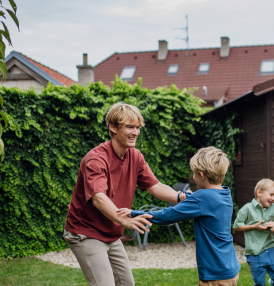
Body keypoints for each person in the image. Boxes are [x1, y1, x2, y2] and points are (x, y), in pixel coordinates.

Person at [63, 103, 189, 286]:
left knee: (127, 283)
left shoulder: (135, 156)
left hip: (110, 232)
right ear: (113, 127)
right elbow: (98, 197)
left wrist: (181, 196)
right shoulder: (96, 159)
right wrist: (125, 220)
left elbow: (155, 186)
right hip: (85, 232)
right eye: (130, 127)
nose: (135, 132)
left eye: (138, 127)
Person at [123, 146, 241, 286]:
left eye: (194, 173)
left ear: (202, 175)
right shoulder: (225, 193)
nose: (193, 176)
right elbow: (205, 202)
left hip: (215, 274)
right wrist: (190, 197)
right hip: (231, 268)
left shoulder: (202, 198)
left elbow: (167, 216)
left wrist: (134, 213)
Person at [233, 178, 274, 286]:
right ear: (259, 192)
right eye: (271, 194)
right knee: (259, 283)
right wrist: (254, 226)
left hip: (270, 248)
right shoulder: (247, 208)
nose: (273, 198)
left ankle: (273, 283)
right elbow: (236, 226)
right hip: (254, 253)